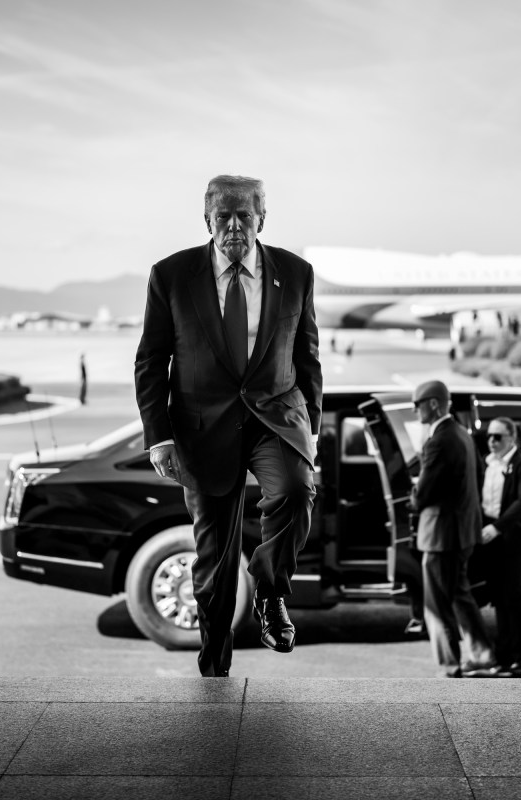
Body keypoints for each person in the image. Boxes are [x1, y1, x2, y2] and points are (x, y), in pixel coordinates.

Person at [134, 174, 322, 677]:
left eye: (245, 215)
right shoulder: (171, 275)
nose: (234, 226)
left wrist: (313, 430)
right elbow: (151, 361)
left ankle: (269, 589)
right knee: (214, 569)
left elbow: (307, 358)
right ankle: (214, 668)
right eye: (224, 215)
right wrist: (160, 437)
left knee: (294, 491)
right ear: (207, 219)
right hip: (201, 429)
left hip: (274, 419)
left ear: (263, 217)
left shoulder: (296, 273)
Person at [409, 380, 496, 678]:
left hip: (441, 536)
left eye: (417, 404)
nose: (415, 410)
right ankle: (483, 656)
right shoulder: (462, 434)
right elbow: (478, 476)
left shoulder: (438, 441)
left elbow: (423, 496)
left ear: (433, 404)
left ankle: (450, 665)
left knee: (437, 604)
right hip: (463, 531)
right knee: (460, 595)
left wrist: (413, 491)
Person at [478, 417, 521, 677]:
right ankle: (503, 656)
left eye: (498, 437)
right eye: (489, 437)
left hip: (517, 539)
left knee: (513, 596)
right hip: (492, 538)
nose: (492, 442)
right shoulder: (487, 464)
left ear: (511, 439)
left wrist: (497, 527)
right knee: (499, 598)